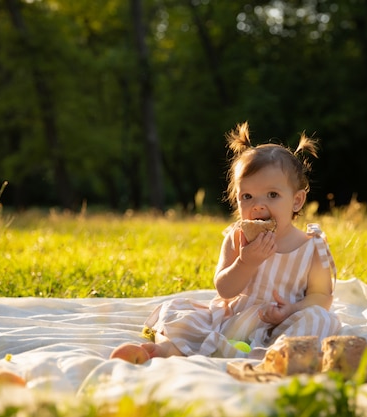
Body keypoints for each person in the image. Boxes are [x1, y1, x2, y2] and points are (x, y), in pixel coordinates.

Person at [116, 122, 341, 360]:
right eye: (247, 196)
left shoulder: (311, 246)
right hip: (232, 321)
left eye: (272, 195)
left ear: (296, 201)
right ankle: (167, 349)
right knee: (177, 310)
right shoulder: (237, 238)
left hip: (282, 326)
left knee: (321, 318)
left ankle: (275, 358)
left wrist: (292, 310)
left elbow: (321, 297)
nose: (258, 205)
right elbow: (224, 289)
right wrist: (246, 262)